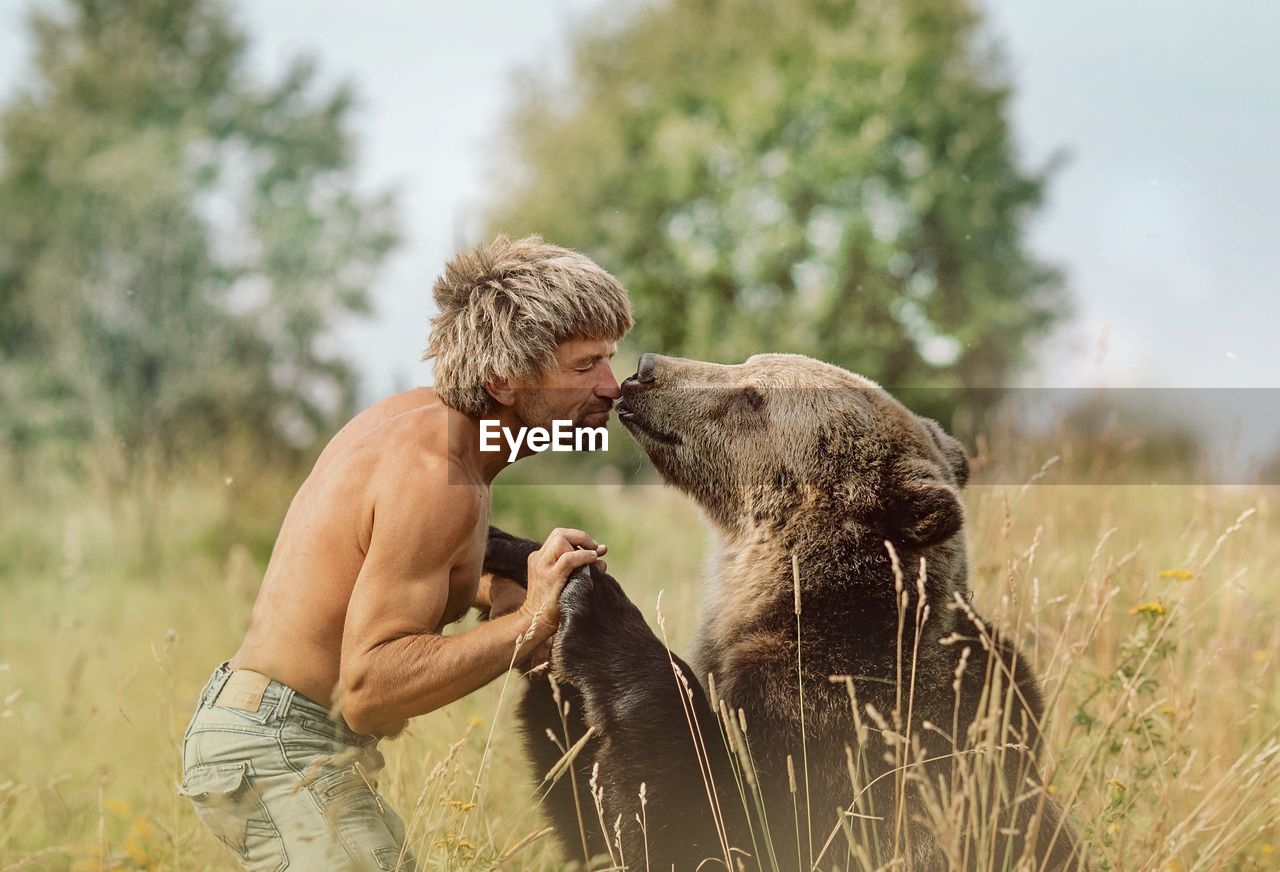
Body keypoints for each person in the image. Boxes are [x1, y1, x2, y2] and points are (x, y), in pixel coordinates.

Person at [178, 235, 632, 870]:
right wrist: (536, 622)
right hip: (279, 744)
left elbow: (381, 567)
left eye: (610, 359)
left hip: (262, 730)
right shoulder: (435, 476)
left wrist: (493, 587)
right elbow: (368, 688)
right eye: (585, 367)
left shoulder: (429, 424)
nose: (613, 386)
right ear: (502, 379)